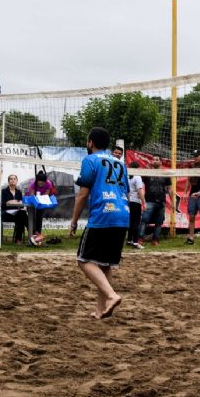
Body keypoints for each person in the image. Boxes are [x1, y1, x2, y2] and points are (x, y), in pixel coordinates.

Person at [69, 127, 129, 319]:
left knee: (83, 260)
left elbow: (83, 194)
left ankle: (111, 295)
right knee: (105, 264)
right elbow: (125, 191)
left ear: (90, 142)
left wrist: (74, 220)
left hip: (104, 215)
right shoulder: (120, 163)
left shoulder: (90, 159)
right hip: (123, 215)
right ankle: (101, 310)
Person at [138, 157, 170, 246]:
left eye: (157, 160)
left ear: (160, 162)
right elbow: (139, 182)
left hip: (161, 201)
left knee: (159, 222)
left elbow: (169, 189)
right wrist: (146, 170)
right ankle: (140, 238)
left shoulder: (165, 174)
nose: (155, 161)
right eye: (153, 160)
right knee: (144, 220)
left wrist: (173, 202)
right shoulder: (147, 173)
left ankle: (155, 240)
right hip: (149, 201)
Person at [186, 149, 200, 246]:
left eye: (197, 156)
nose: (195, 158)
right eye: (194, 156)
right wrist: (184, 192)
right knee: (191, 217)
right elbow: (188, 179)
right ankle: (191, 238)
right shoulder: (192, 166)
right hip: (192, 194)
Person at [26, 170, 57, 235]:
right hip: (32, 201)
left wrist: (41, 201)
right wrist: (36, 201)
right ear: (37, 181)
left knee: (39, 217)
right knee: (32, 217)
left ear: (45, 181)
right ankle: (33, 232)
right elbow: (32, 196)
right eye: (39, 182)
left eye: (42, 182)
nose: (40, 183)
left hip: (41, 201)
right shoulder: (33, 184)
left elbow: (46, 195)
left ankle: (38, 233)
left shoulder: (48, 184)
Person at [1, 174, 28, 245]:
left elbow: (21, 205)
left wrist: (18, 202)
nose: (13, 180)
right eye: (11, 179)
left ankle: (18, 239)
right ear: (8, 181)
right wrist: (9, 202)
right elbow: (2, 204)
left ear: (17, 181)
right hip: (6, 213)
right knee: (22, 216)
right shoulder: (3, 191)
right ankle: (33, 234)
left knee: (21, 215)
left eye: (14, 179)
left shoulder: (19, 192)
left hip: (17, 213)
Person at [126, 162, 145, 249]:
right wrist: (144, 202)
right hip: (136, 202)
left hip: (129, 201)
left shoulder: (128, 177)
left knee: (131, 222)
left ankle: (129, 240)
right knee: (136, 223)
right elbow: (139, 191)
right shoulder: (137, 177)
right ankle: (135, 242)